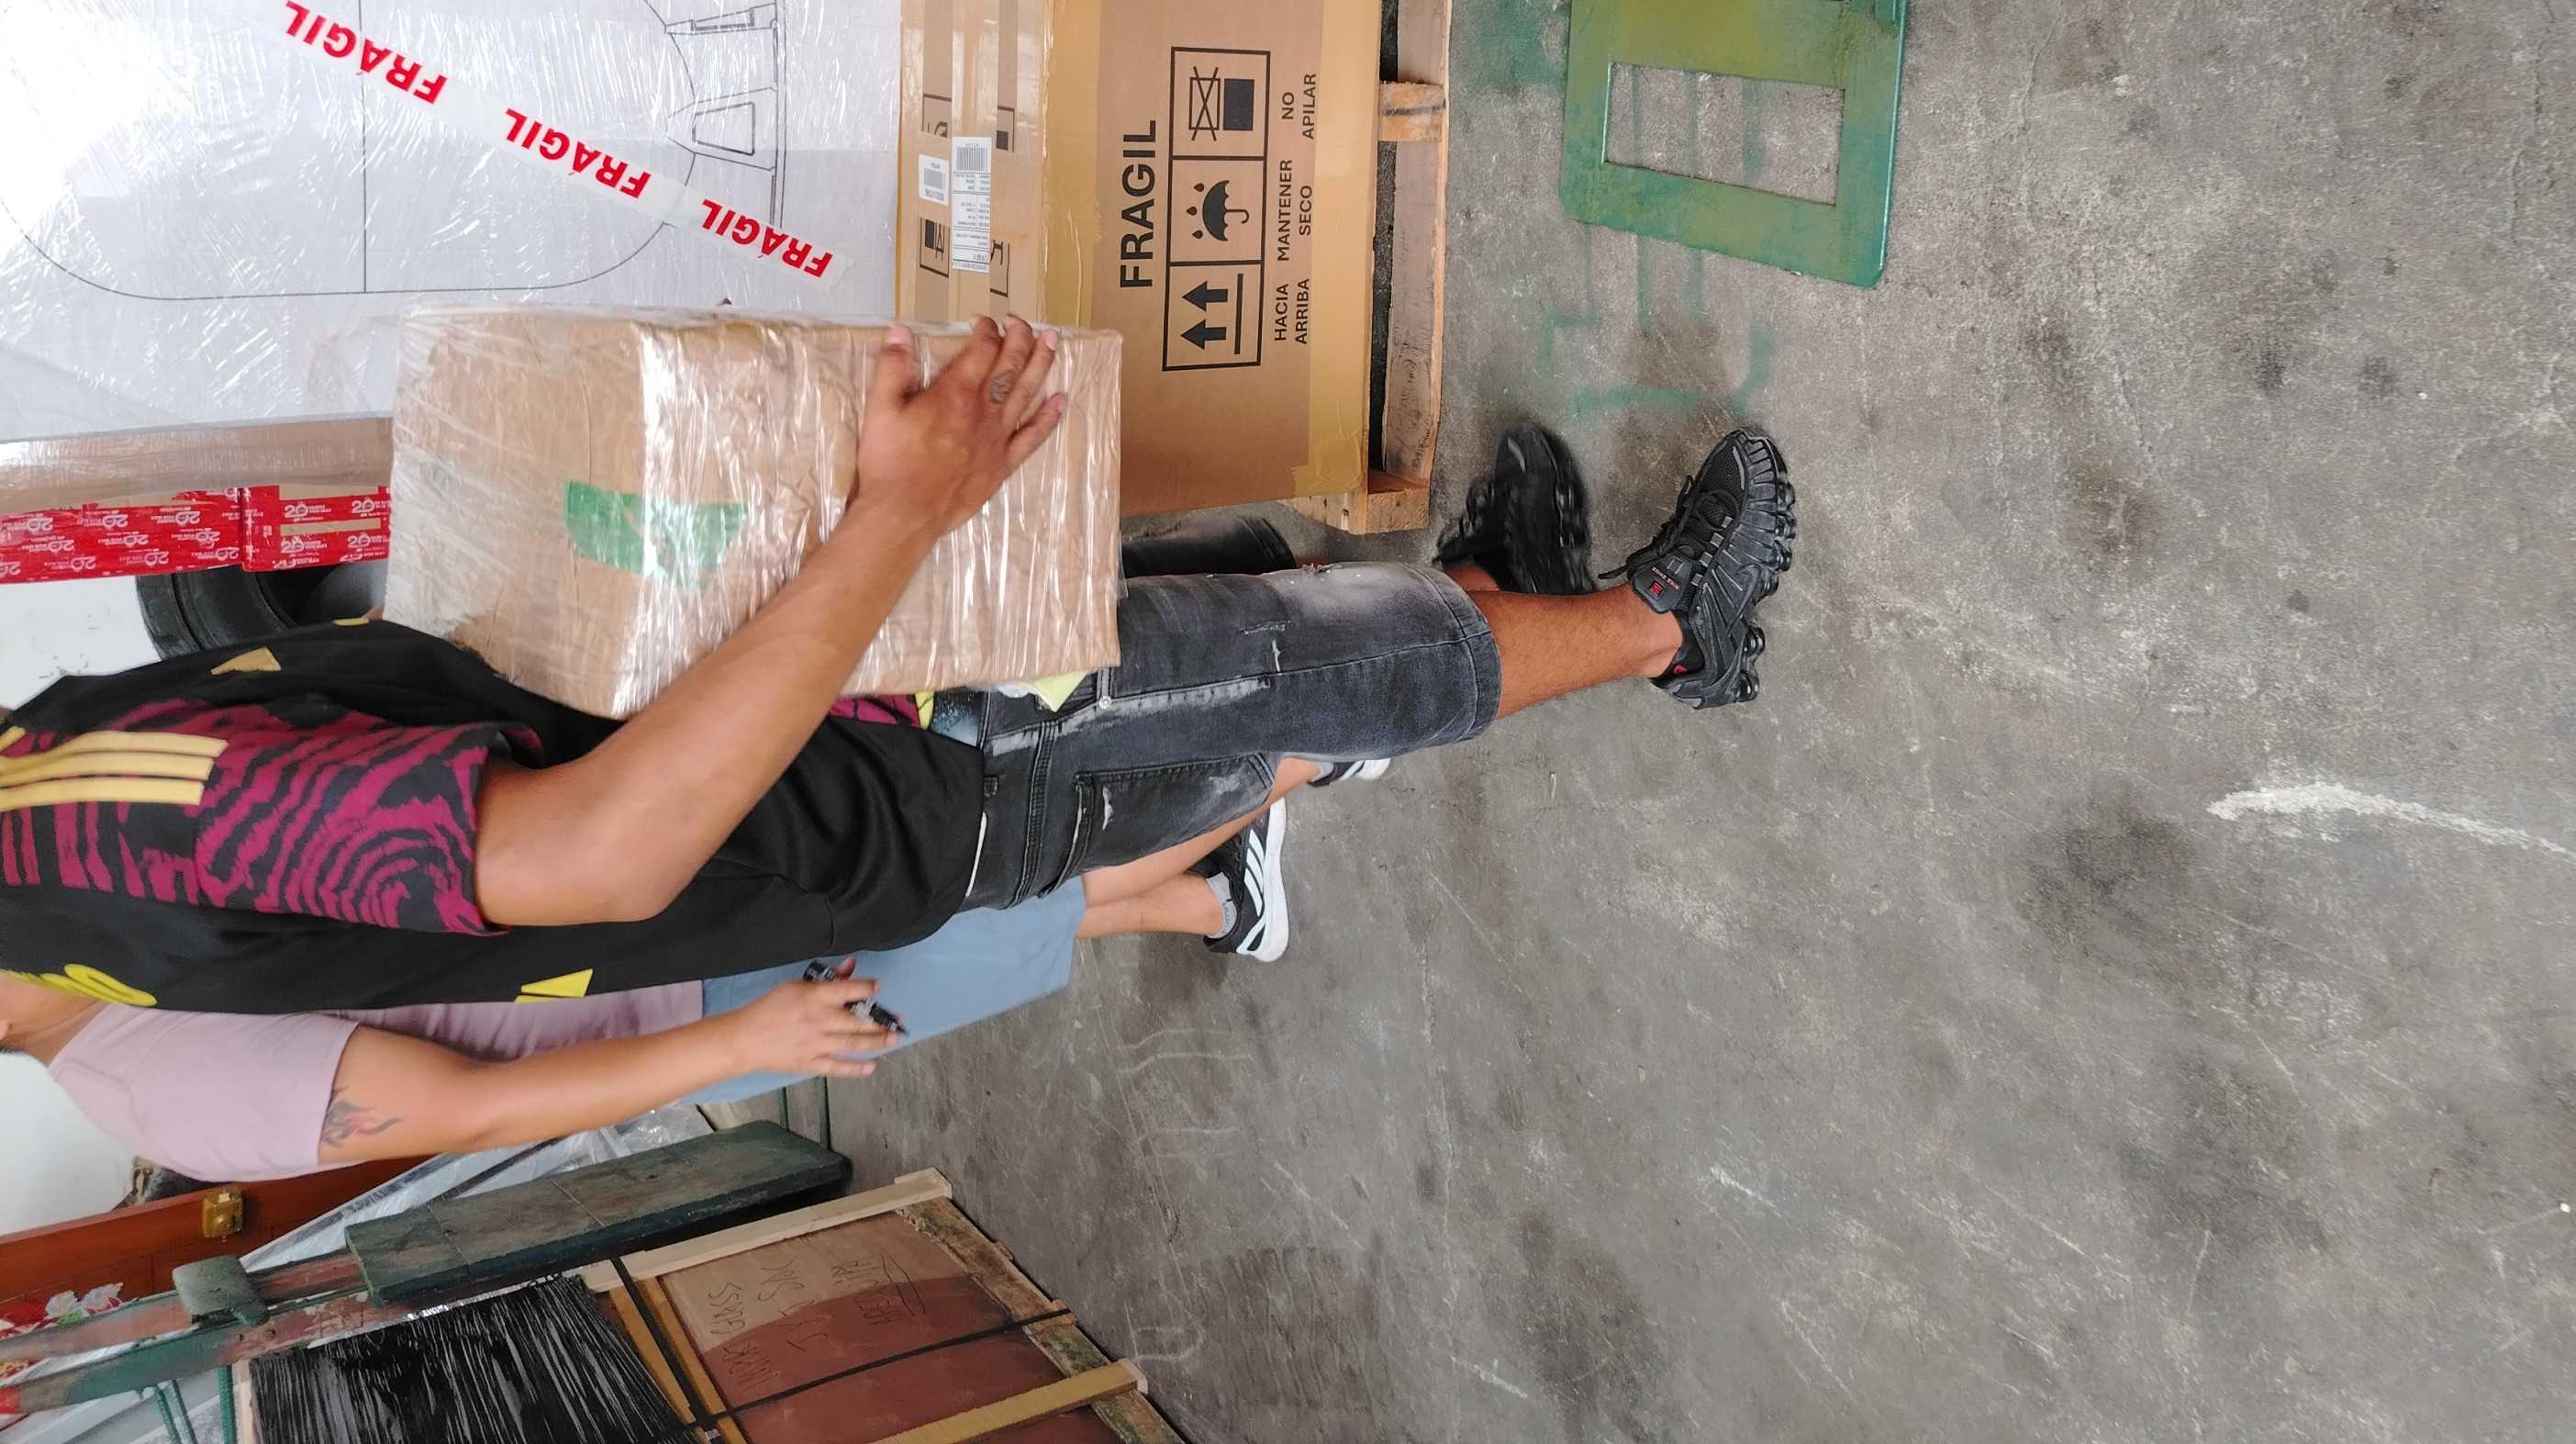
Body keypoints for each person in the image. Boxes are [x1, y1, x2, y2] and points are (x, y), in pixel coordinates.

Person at [0, 320, 1794, 1016]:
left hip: (837, 720)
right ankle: (1667, 629)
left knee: (1231, 614)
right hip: (879, 766)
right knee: (1273, 669)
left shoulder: (40, 804)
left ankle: (1496, 593)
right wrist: (895, 514)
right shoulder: (99, 829)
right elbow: (590, 853)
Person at [3, 755, 1330, 1188]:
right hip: (689, 995)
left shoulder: (96, 935)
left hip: (643, 919)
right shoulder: (157, 1089)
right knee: (1013, 888)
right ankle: (1315, 747)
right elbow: (477, 1110)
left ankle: (1218, 903)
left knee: (993, 910)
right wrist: (739, 1046)